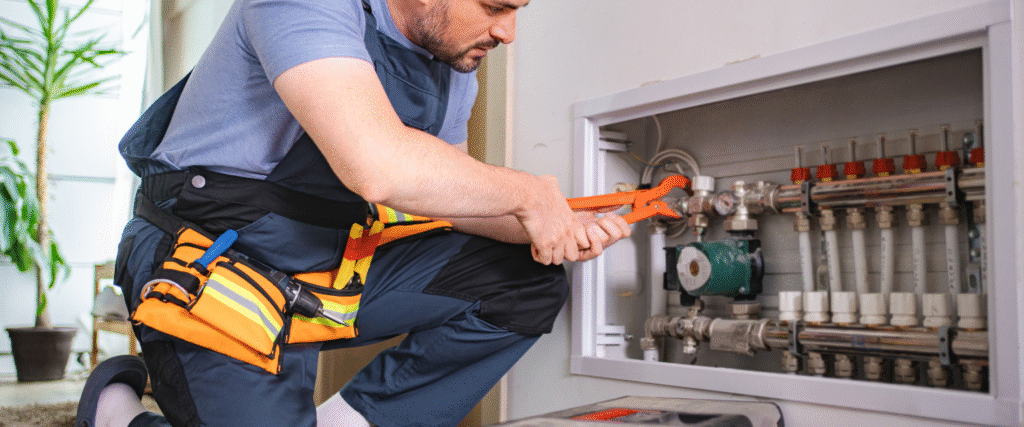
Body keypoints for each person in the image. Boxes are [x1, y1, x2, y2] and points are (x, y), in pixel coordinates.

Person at [75, 0, 632, 426]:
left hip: (320, 269)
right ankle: (119, 417)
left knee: (526, 280)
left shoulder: (451, 67)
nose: (507, 31)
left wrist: (552, 227)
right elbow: (377, 166)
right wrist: (530, 195)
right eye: (495, 7)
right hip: (209, 260)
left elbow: (452, 197)